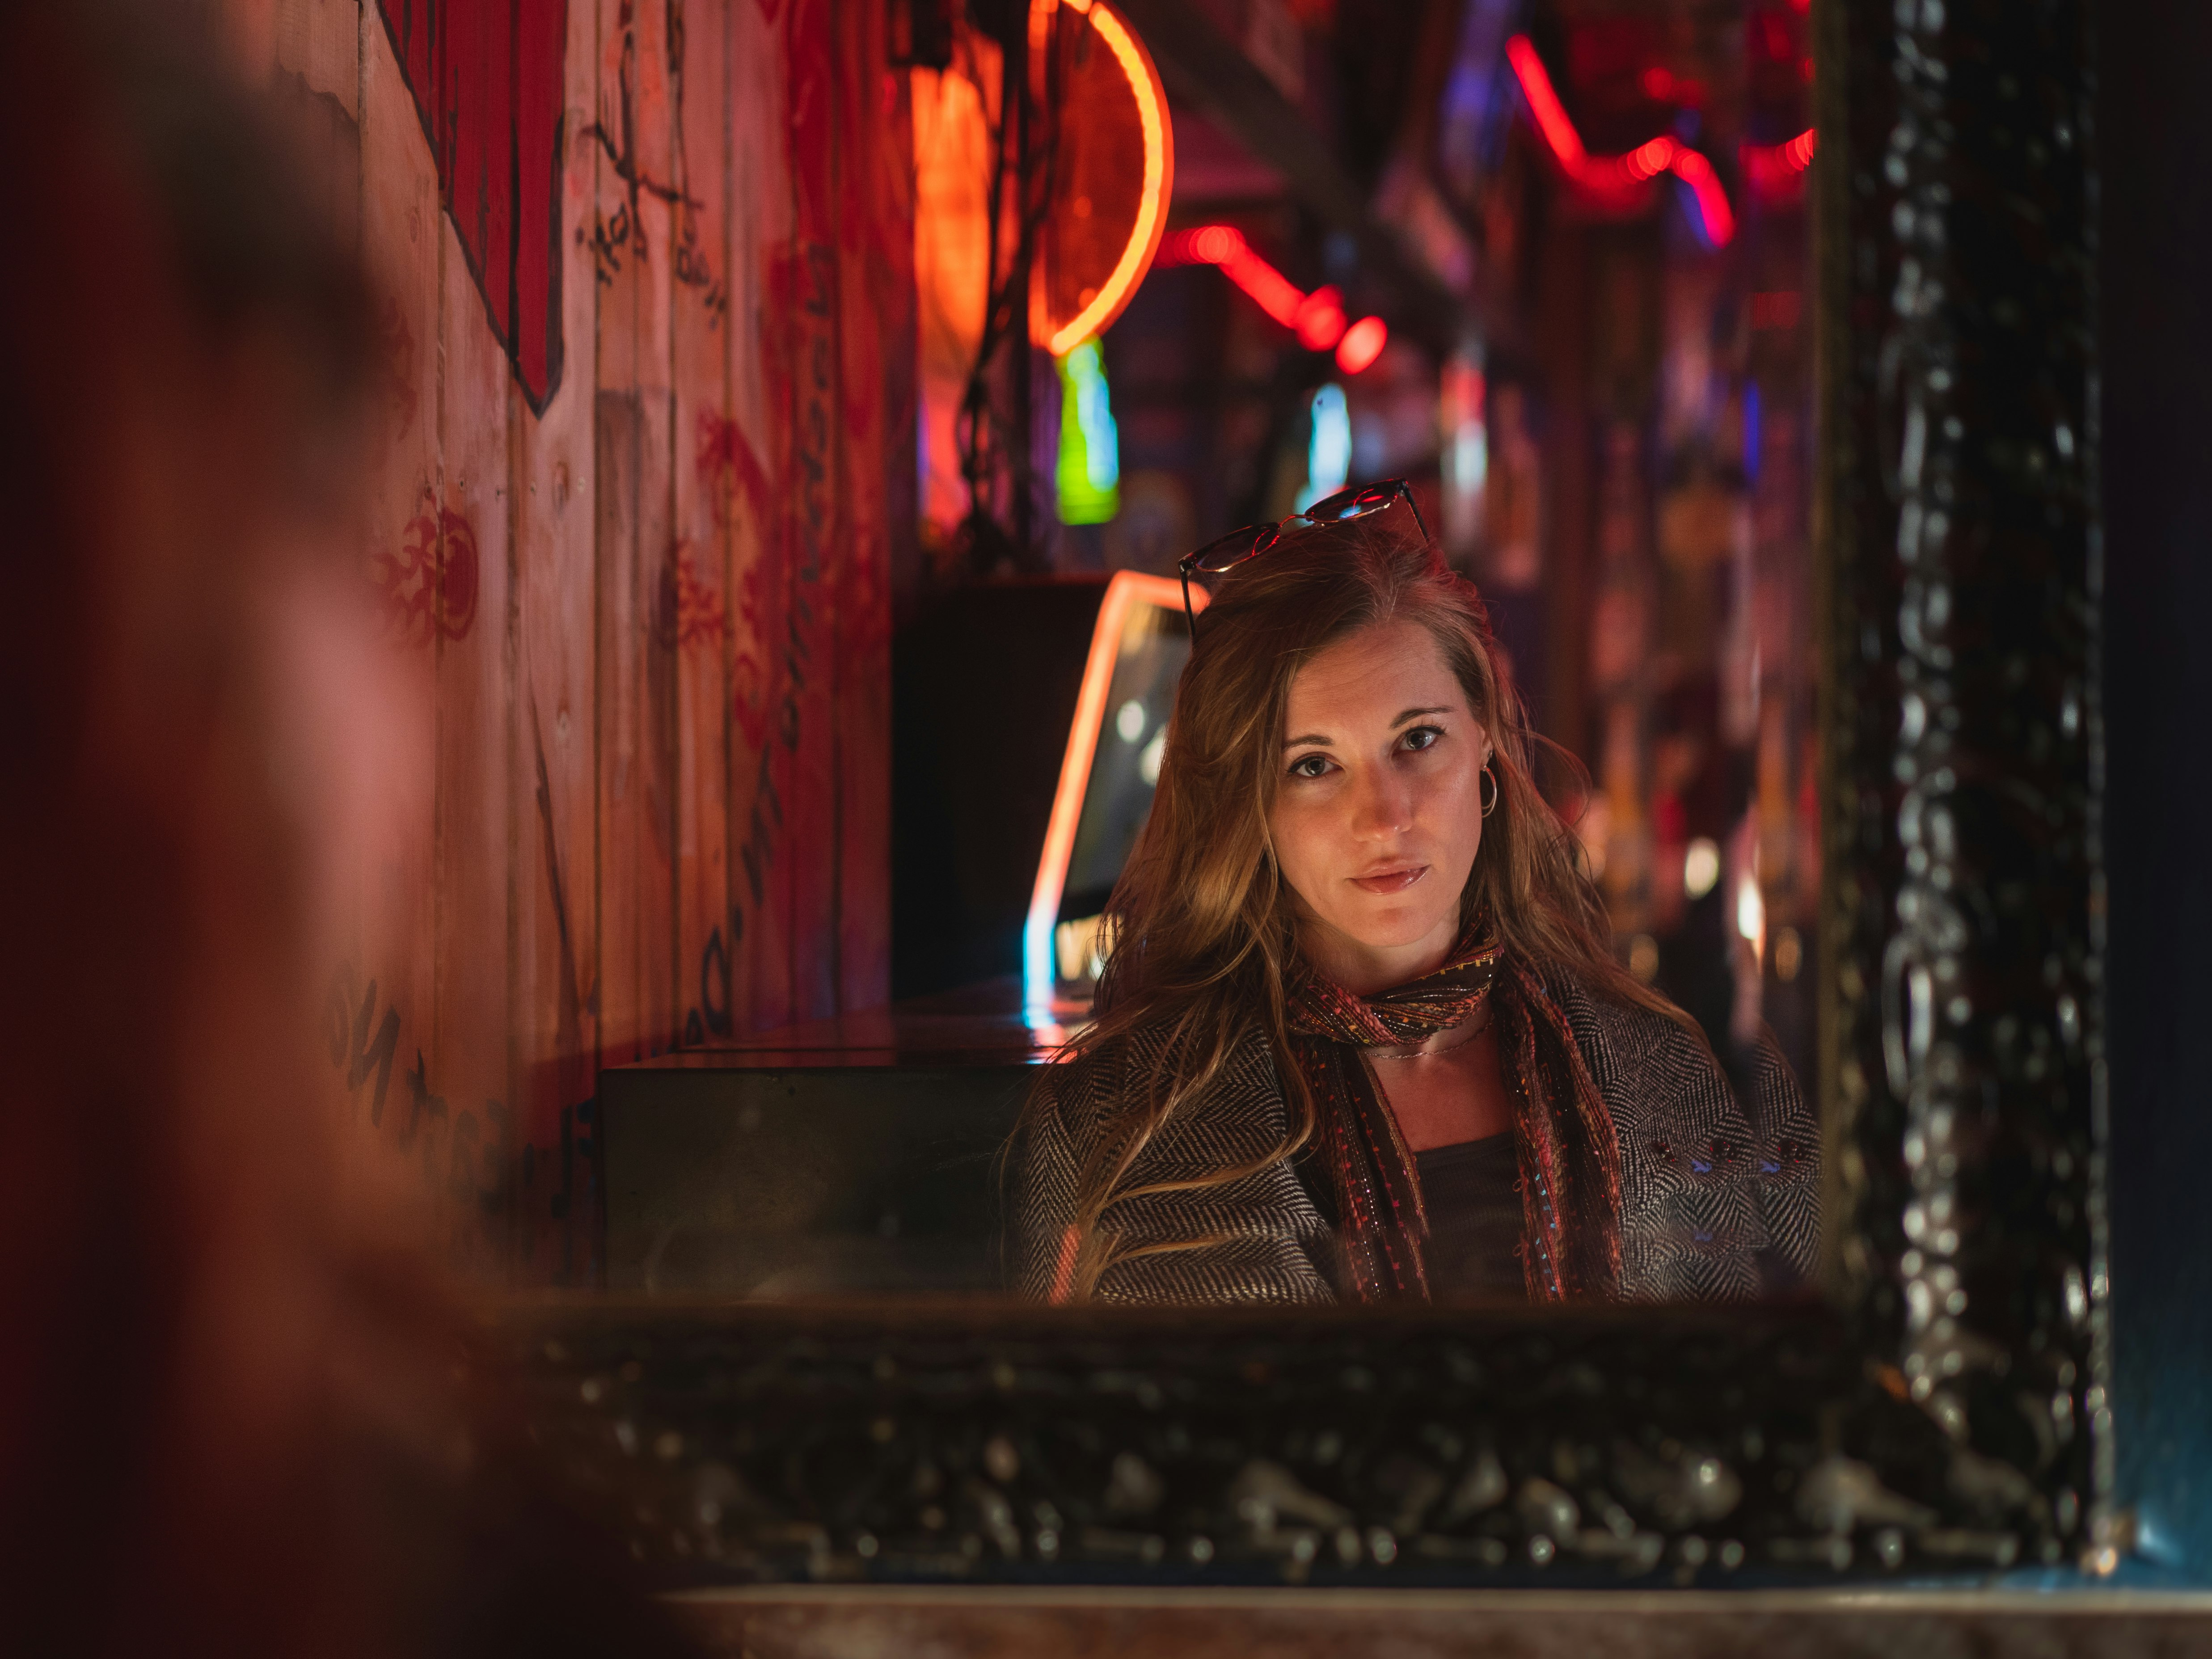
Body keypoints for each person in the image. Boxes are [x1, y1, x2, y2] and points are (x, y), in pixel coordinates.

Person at [1011, 494, 1817, 1305]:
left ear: (1486, 744)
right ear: (1249, 804)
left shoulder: (1674, 1061)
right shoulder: (1113, 1118)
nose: (1385, 817)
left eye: (1418, 740)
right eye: (1314, 765)